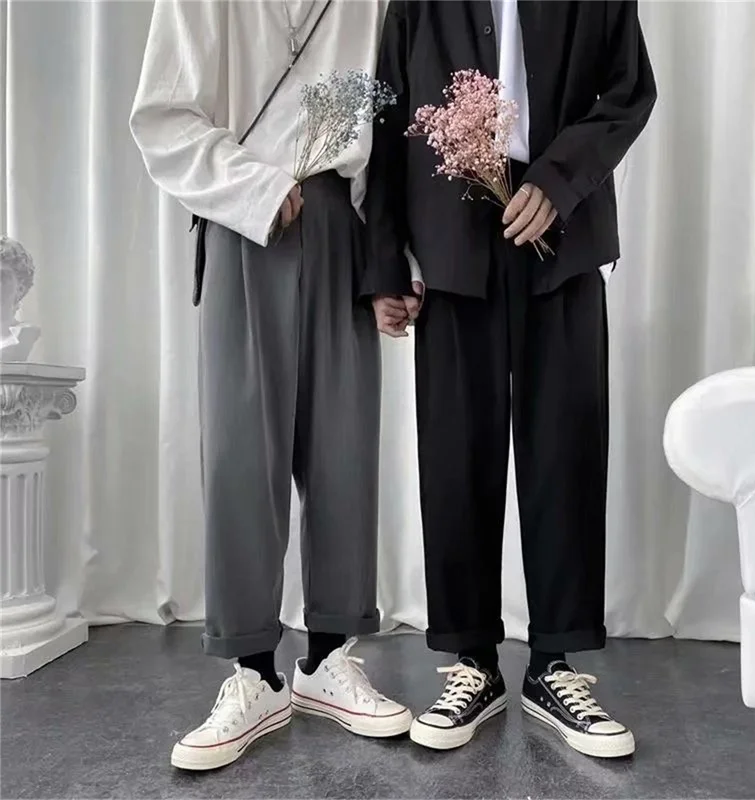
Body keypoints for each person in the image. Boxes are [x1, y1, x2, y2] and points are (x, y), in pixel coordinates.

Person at [363, 0, 656, 754]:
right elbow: (389, 117)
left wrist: (559, 179)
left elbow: (629, 89)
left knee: (565, 446)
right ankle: (472, 661)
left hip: (565, 230)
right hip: (452, 239)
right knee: (456, 452)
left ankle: (556, 663)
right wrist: (385, 263)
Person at [131, 0, 411, 771]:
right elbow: (162, 116)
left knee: (345, 444)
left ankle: (328, 657)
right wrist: (252, 187)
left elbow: (386, 134)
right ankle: (253, 672)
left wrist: (391, 266)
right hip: (245, 223)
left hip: (341, 224)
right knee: (240, 451)